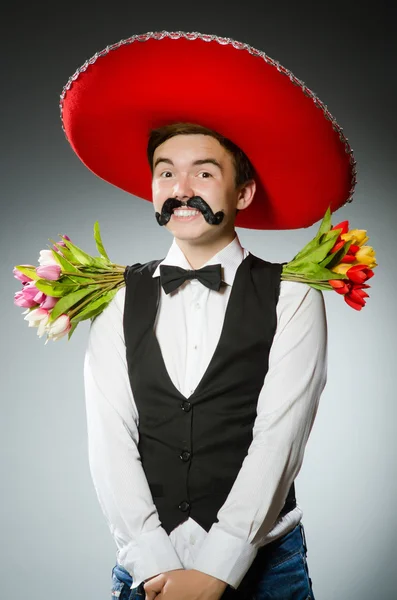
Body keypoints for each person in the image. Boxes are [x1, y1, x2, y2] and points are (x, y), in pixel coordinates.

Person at [60, 31, 356, 599]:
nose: (181, 190)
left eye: (203, 173)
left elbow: (280, 438)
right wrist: (152, 561)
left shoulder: (293, 295)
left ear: (243, 192)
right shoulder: (114, 296)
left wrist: (218, 568)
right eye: (166, 173)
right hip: (150, 572)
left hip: (266, 571)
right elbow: (109, 439)